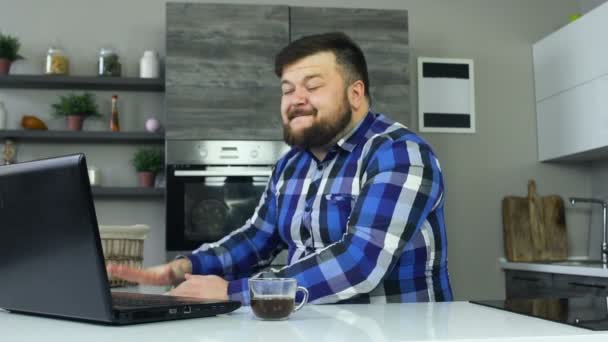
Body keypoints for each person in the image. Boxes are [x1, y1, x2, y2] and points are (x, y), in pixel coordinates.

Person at [108, 32, 453, 304]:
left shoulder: (398, 153)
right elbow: (257, 238)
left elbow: (359, 263)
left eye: (313, 86)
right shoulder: (291, 165)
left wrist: (231, 292)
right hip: (315, 326)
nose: (296, 98)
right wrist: (186, 267)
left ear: (356, 93)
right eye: (287, 90)